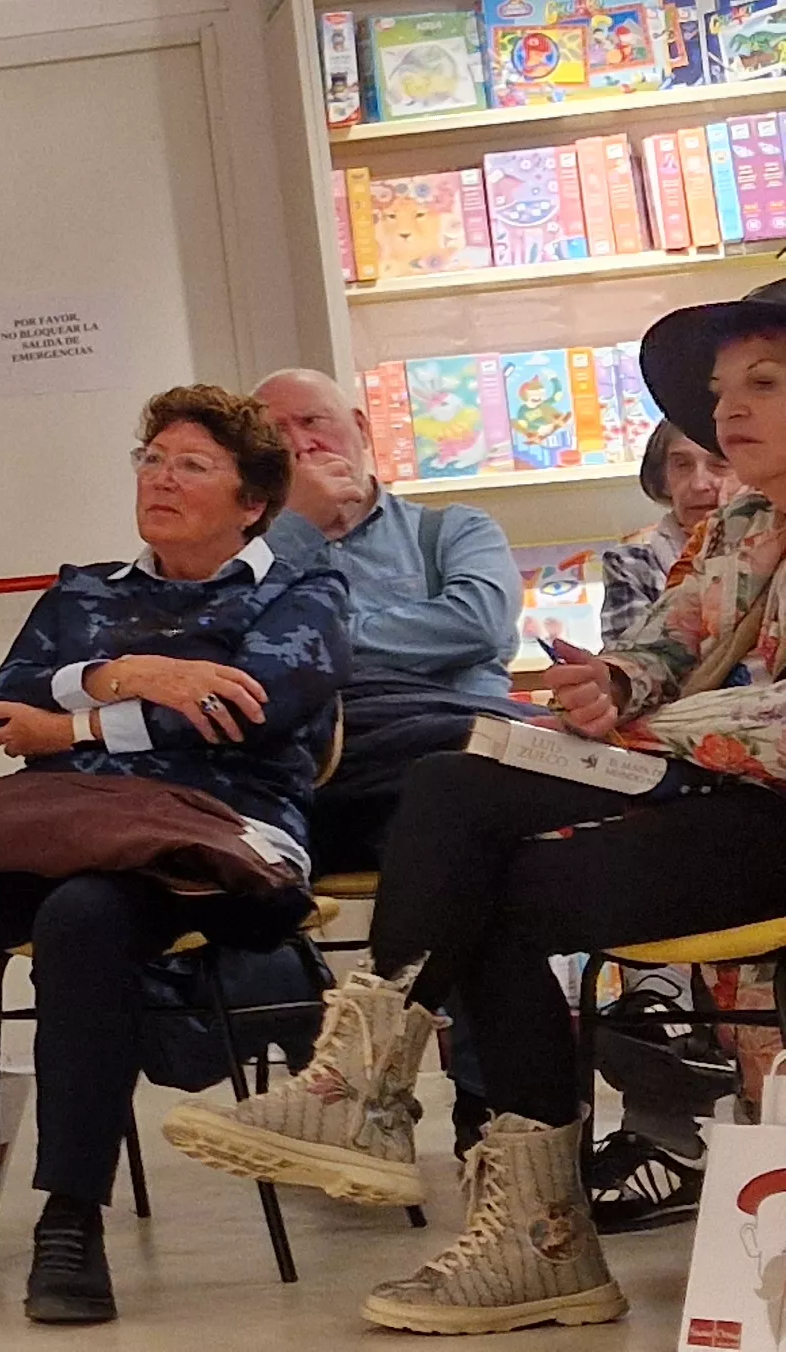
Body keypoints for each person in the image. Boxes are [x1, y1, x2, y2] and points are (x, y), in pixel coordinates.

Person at [171, 290, 786, 1337]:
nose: (725, 412)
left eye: (761, 383)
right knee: (480, 865)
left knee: (457, 787)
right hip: (720, 813)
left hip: (765, 816)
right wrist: (616, 685)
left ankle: (362, 1087)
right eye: (719, 391)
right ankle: (536, 1239)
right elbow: (668, 644)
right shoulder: (749, 516)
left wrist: (654, 725)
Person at [0, 385, 345, 1327]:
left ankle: (70, 1220)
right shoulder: (87, 589)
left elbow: (244, 712)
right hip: (65, 826)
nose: (160, 480)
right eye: (151, 460)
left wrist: (79, 724)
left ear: (253, 500)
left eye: (191, 466)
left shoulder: (303, 593)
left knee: (84, 916)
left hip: (216, 839)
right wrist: (134, 676)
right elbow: (6, 701)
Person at [250, 366, 524, 874]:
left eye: (313, 421)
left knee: (462, 798)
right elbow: (229, 645)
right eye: (274, 434)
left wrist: (312, 649)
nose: (300, 445)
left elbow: (478, 622)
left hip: (460, 758)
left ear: (362, 427)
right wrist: (297, 528)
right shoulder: (250, 558)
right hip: (326, 779)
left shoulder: (454, 530)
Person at [585, 424, 748, 1229]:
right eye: (680, 463)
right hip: (690, 776)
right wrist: (614, 686)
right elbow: (640, 659)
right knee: (474, 806)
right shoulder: (713, 542)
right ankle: (653, 1116)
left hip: (731, 777)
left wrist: (650, 713)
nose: (702, 479)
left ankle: (671, 1124)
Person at [603, 425, 737, 632]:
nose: (699, 484)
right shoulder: (632, 563)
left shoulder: (775, 548)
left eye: (720, 464)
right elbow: (631, 657)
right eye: (682, 465)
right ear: (663, 480)